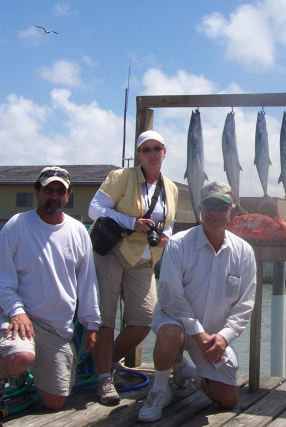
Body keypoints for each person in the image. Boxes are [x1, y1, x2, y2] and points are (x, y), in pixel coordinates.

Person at [138, 181, 256, 423]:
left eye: (221, 206)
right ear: (200, 209)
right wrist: (196, 332)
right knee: (170, 333)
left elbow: (245, 305)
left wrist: (223, 337)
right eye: (208, 205)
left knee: (228, 400)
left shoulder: (244, 252)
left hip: (213, 335)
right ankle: (160, 389)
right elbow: (171, 297)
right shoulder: (178, 244)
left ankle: (185, 369)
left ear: (230, 212)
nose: (214, 212)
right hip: (176, 320)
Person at [0, 166, 101, 414]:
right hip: (21, 318)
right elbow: (2, 278)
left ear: (68, 195)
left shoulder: (78, 231)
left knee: (55, 402)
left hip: (57, 329)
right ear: (37, 192)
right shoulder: (16, 225)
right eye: (48, 190)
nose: (53, 196)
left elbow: (88, 282)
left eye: (59, 191)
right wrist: (16, 311)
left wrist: (92, 324)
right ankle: (13, 370)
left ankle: (22, 374)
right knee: (20, 357)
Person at [88, 130, 178, 405]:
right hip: (112, 253)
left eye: (157, 148)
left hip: (143, 259)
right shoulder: (121, 177)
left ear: (164, 152)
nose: (152, 153)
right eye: (146, 149)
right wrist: (132, 222)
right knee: (105, 318)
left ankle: (109, 362)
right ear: (139, 154)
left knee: (145, 319)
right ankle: (104, 379)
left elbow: (169, 222)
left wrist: (166, 236)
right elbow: (95, 208)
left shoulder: (171, 187)